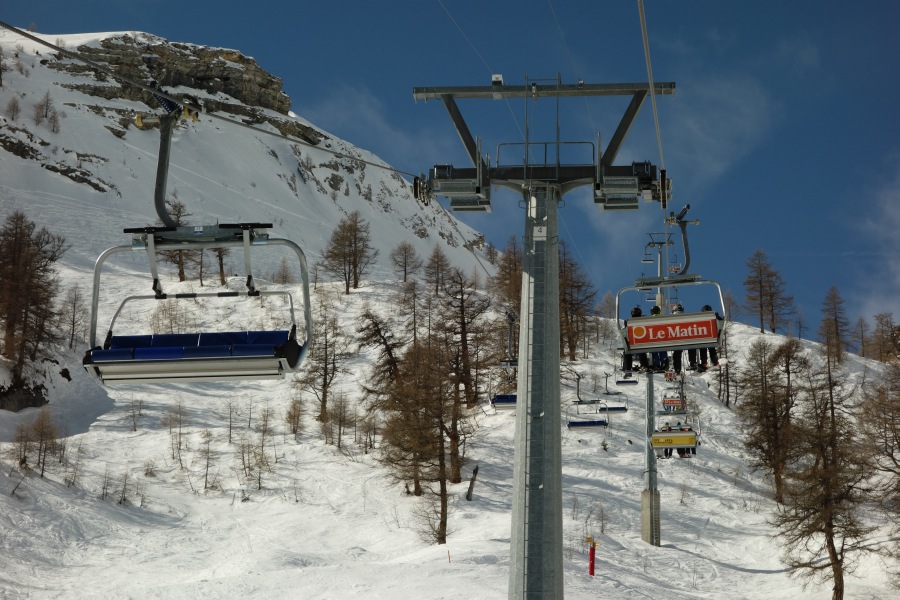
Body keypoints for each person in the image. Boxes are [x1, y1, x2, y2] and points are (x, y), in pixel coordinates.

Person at [623, 306, 648, 371]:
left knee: (626, 351)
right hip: (642, 342)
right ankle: (644, 365)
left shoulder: (628, 322)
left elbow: (626, 331)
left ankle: (627, 368)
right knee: (642, 349)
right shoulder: (643, 321)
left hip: (632, 343)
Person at [697, 304, 720, 372]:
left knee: (708, 347)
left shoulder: (713, 317)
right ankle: (708, 362)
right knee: (705, 347)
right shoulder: (703, 319)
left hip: (710, 335)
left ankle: (711, 362)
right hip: (706, 336)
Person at [649, 305, 667, 371]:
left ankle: (656, 365)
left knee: (655, 352)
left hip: (653, 338)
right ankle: (664, 364)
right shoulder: (662, 319)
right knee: (662, 351)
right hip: (662, 337)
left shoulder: (649, 319)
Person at [671, 304, 684, 373]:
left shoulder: (673, 317)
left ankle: (676, 368)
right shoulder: (684, 317)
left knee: (676, 355)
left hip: (674, 338)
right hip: (682, 338)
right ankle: (678, 369)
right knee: (678, 354)